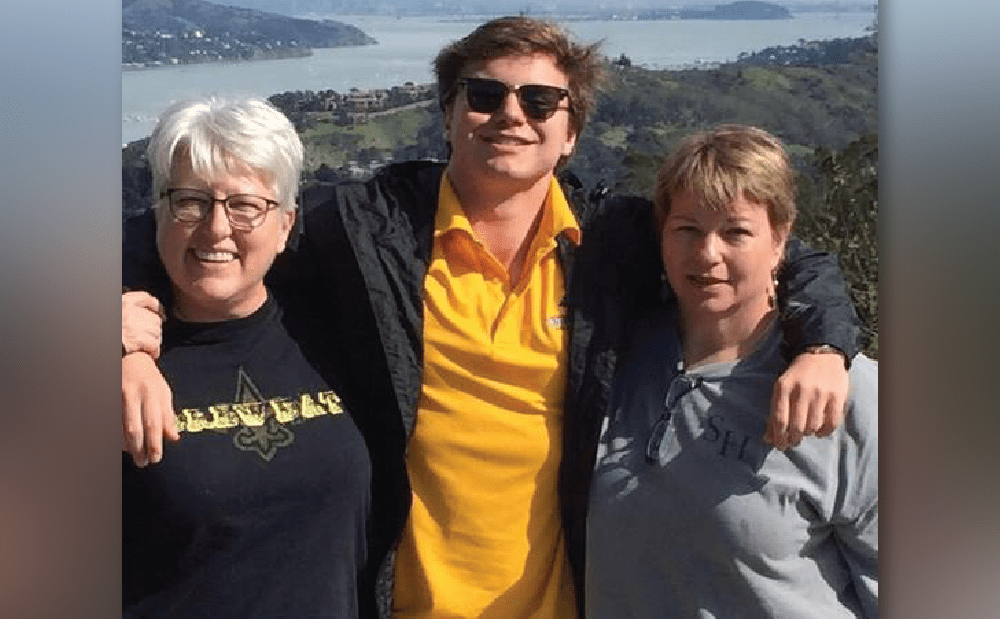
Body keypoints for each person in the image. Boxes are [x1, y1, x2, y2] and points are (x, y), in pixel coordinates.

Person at [122, 17, 862, 619]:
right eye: (484, 95)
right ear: (447, 114)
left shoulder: (612, 245)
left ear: (571, 133)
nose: (511, 114)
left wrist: (824, 340)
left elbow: (757, 245)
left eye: (541, 102)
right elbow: (200, 231)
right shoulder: (365, 231)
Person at [586, 125, 878, 618]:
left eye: (736, 231)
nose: (708, 254)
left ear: (781, 240)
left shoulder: (850, 394)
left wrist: (823, 349)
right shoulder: (609, 360)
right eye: (687, 229)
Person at [121, 97, 374, 619]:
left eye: (245, 205)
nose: (216, 229)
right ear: (158, 213)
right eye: (190, 201)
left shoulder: (343, 330)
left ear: (285, 225)